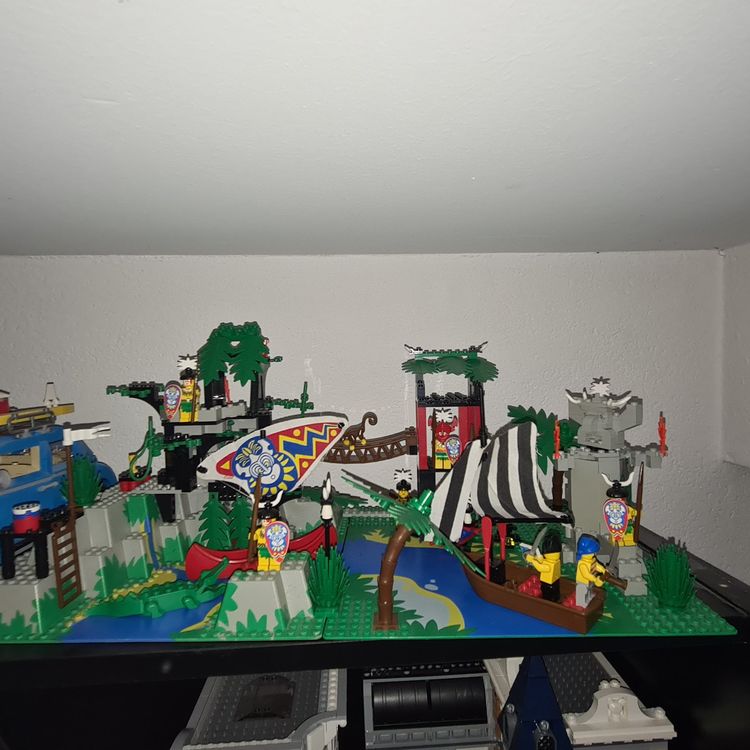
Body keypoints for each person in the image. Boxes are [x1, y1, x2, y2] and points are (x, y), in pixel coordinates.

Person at [525, 532, 562, 602]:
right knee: (555, 592)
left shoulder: (550, 565)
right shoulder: (556, 561)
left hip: (548, 583)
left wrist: (533, 561)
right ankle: (555, 599)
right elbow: (542, 561)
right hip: (555, 582)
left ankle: (550, 601)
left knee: (548, 594)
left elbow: (541, 568)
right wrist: (536, 558)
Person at [576, 534, 606, 607]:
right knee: (582, 591)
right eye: (592, 553)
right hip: (582, 582)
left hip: (590, 581)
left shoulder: (591, 560)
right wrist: (595, 579)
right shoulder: (582, 564)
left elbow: (596, 565)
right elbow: (586, 574)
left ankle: (589, 597)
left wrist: (603, 570)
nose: (594, 554)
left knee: (590, 589)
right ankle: (581, 603)